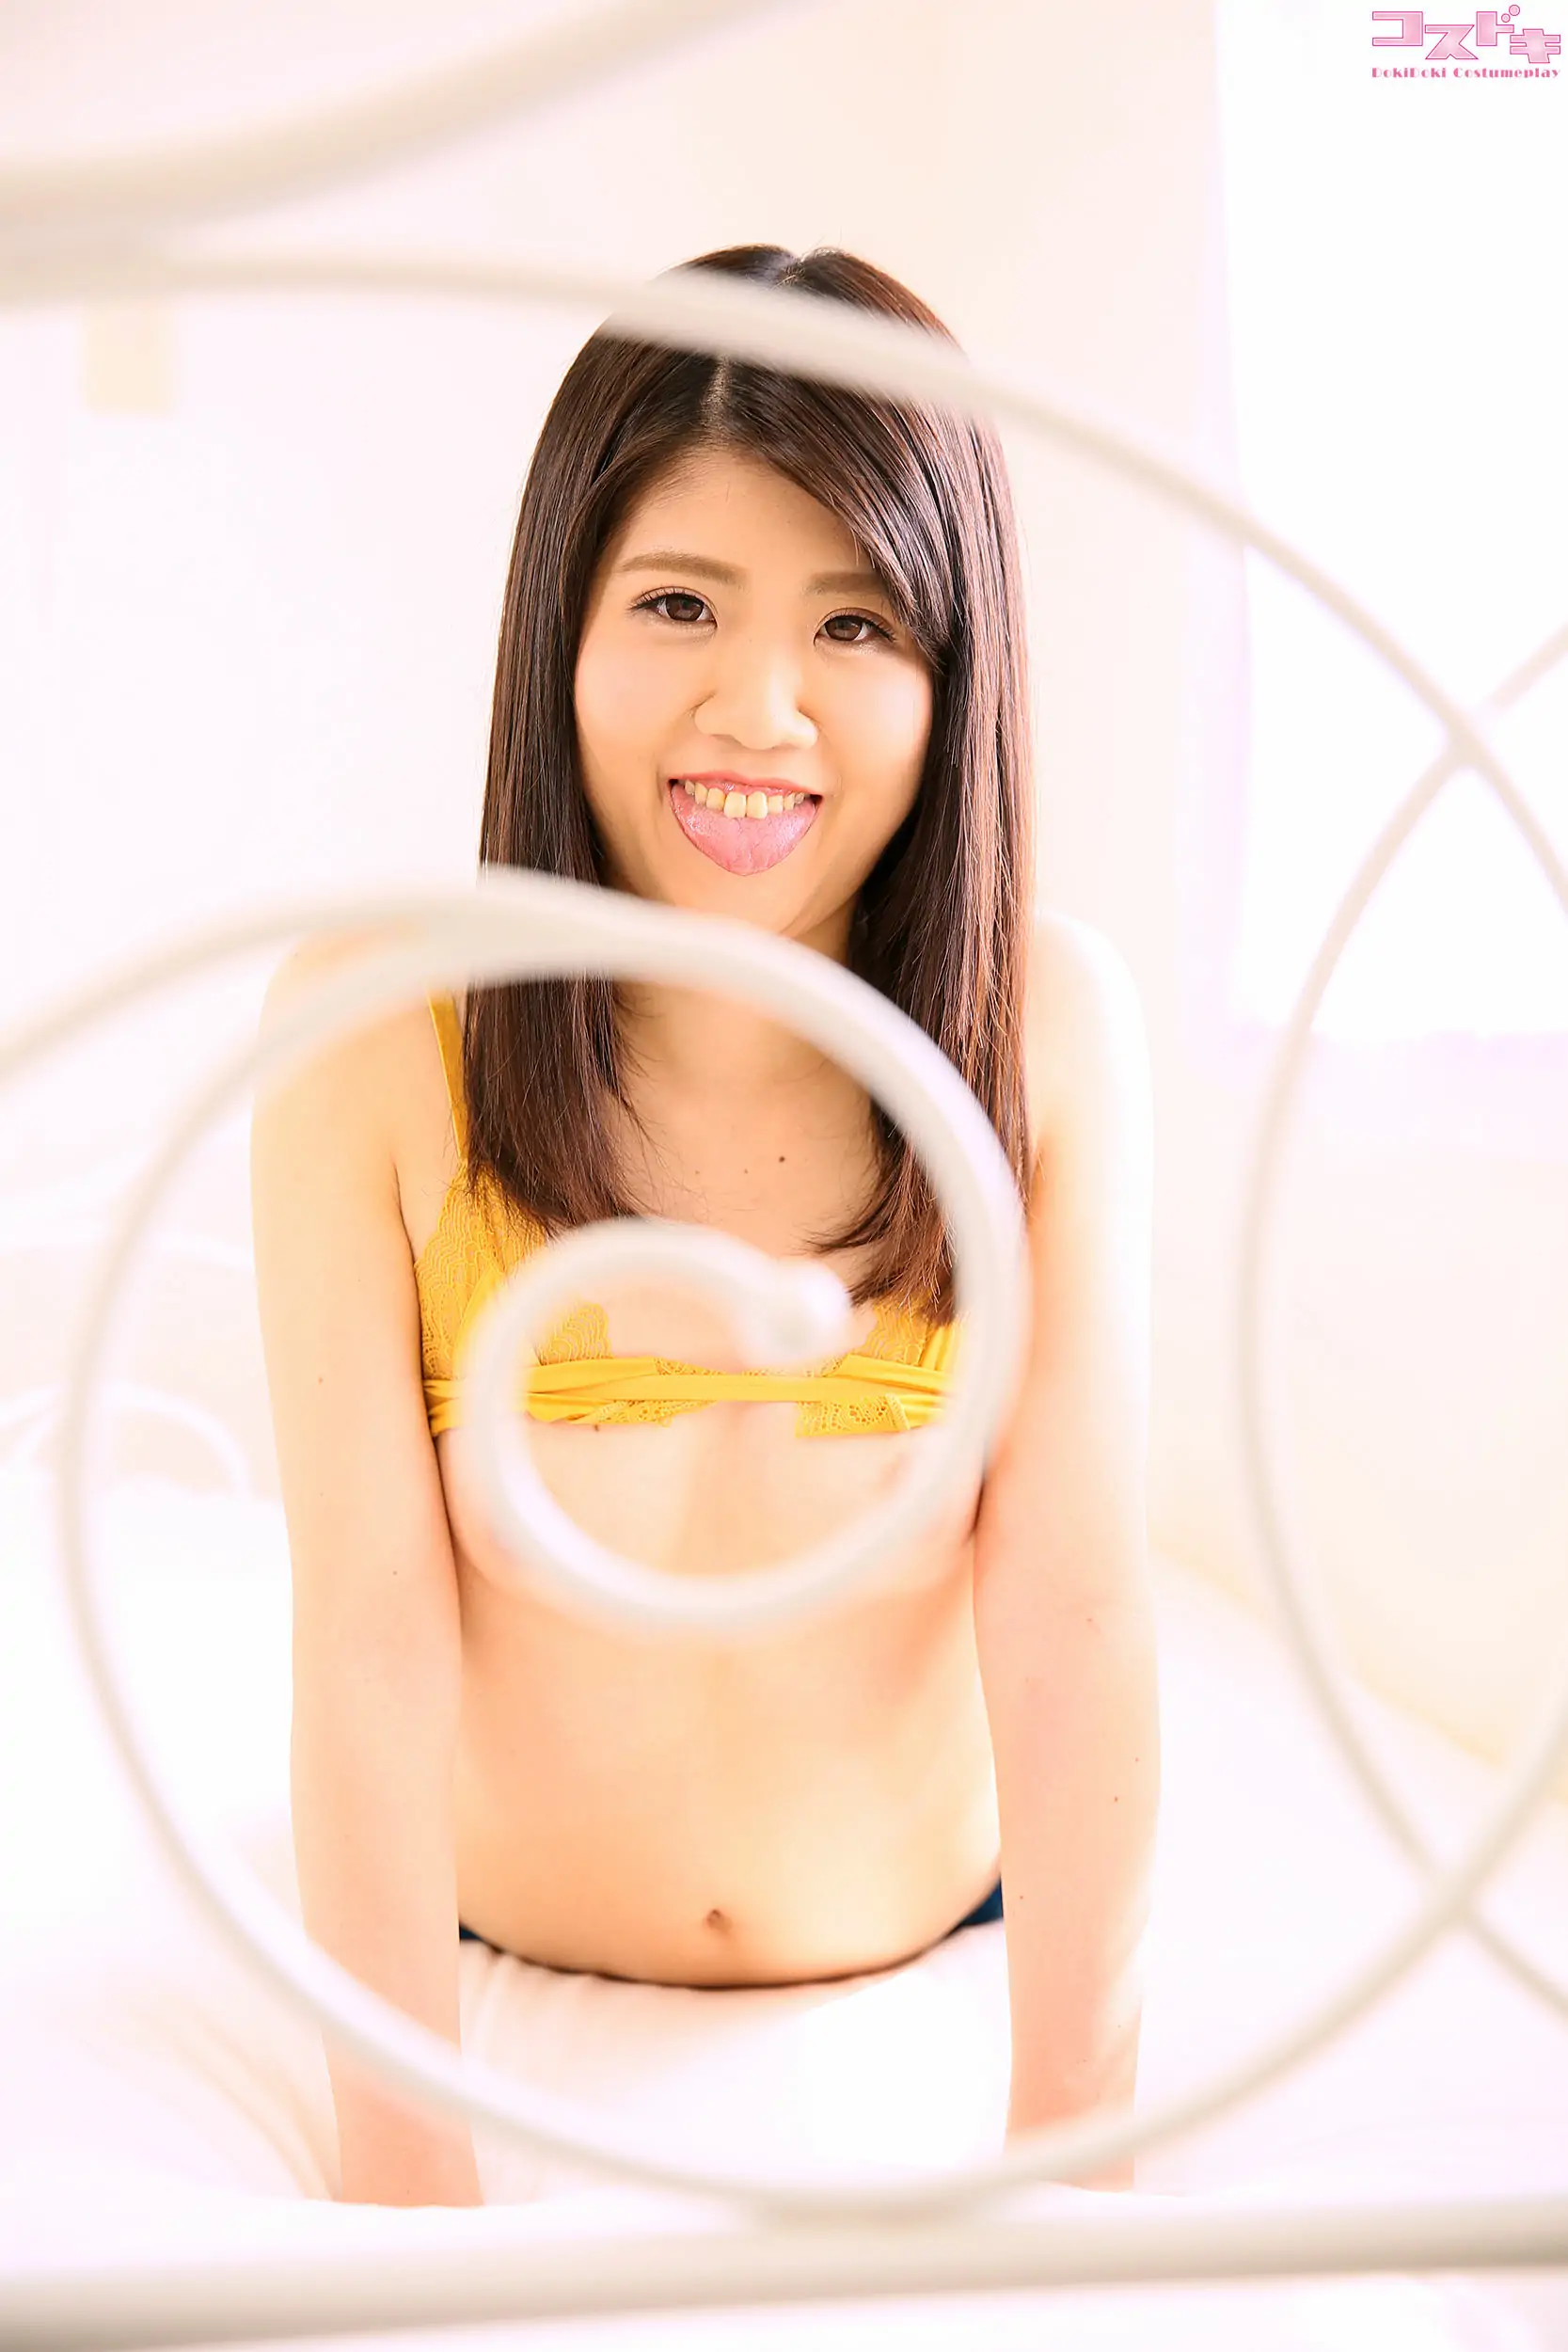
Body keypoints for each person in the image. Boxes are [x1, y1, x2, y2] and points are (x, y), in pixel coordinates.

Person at [249, 242, 1160, 2209]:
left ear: (951, 673)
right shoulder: (371, 1029)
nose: (759, 708)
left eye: (854, 623)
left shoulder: (1043, 1030)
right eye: (677, 603)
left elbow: (1075, 1609)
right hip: (503, 1926)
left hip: (925, 1918)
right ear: (560, 629)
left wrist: (1073, 2161)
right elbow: (367, 1632)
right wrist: (406, 2176)